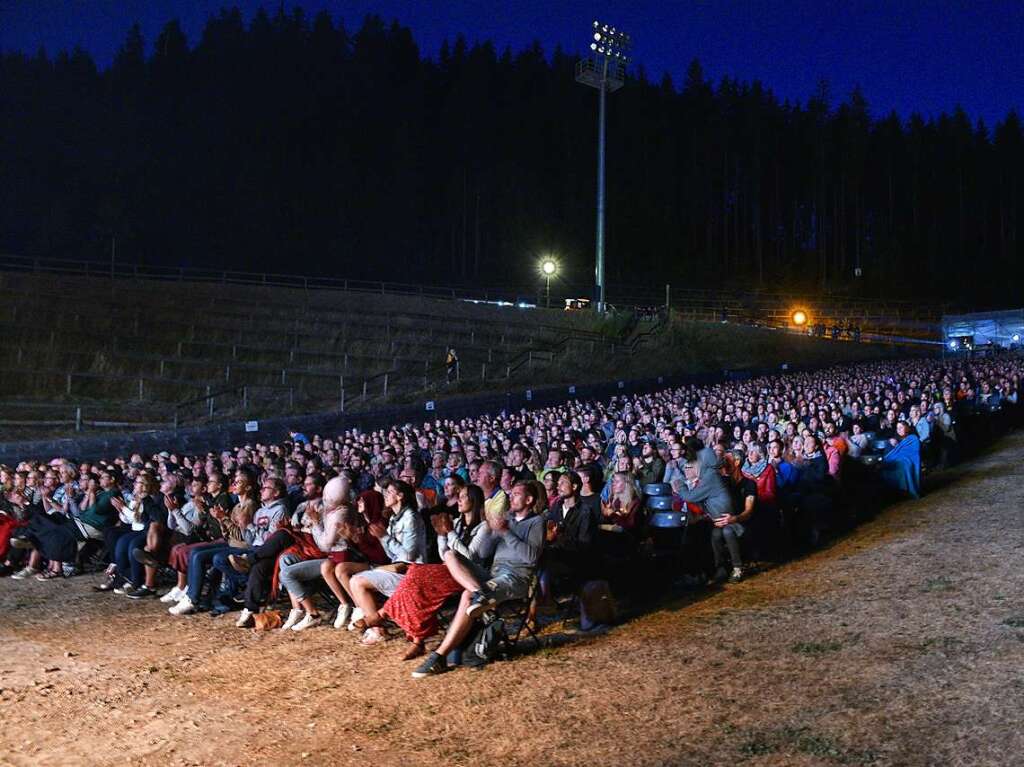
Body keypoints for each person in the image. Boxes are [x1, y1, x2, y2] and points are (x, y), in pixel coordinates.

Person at [412, 480, 544, 678]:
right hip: (493, 574)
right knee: (450, 555)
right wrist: (490, 530)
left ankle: (439, 656)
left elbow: (531, 557)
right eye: (512, 493)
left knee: (467, 597)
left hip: (515, 578)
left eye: (516, 494)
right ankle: (479, 594)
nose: (511, 497)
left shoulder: (537, 522)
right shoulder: (506, 518)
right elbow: (481, 553)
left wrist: (506, 532)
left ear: (529, 499)